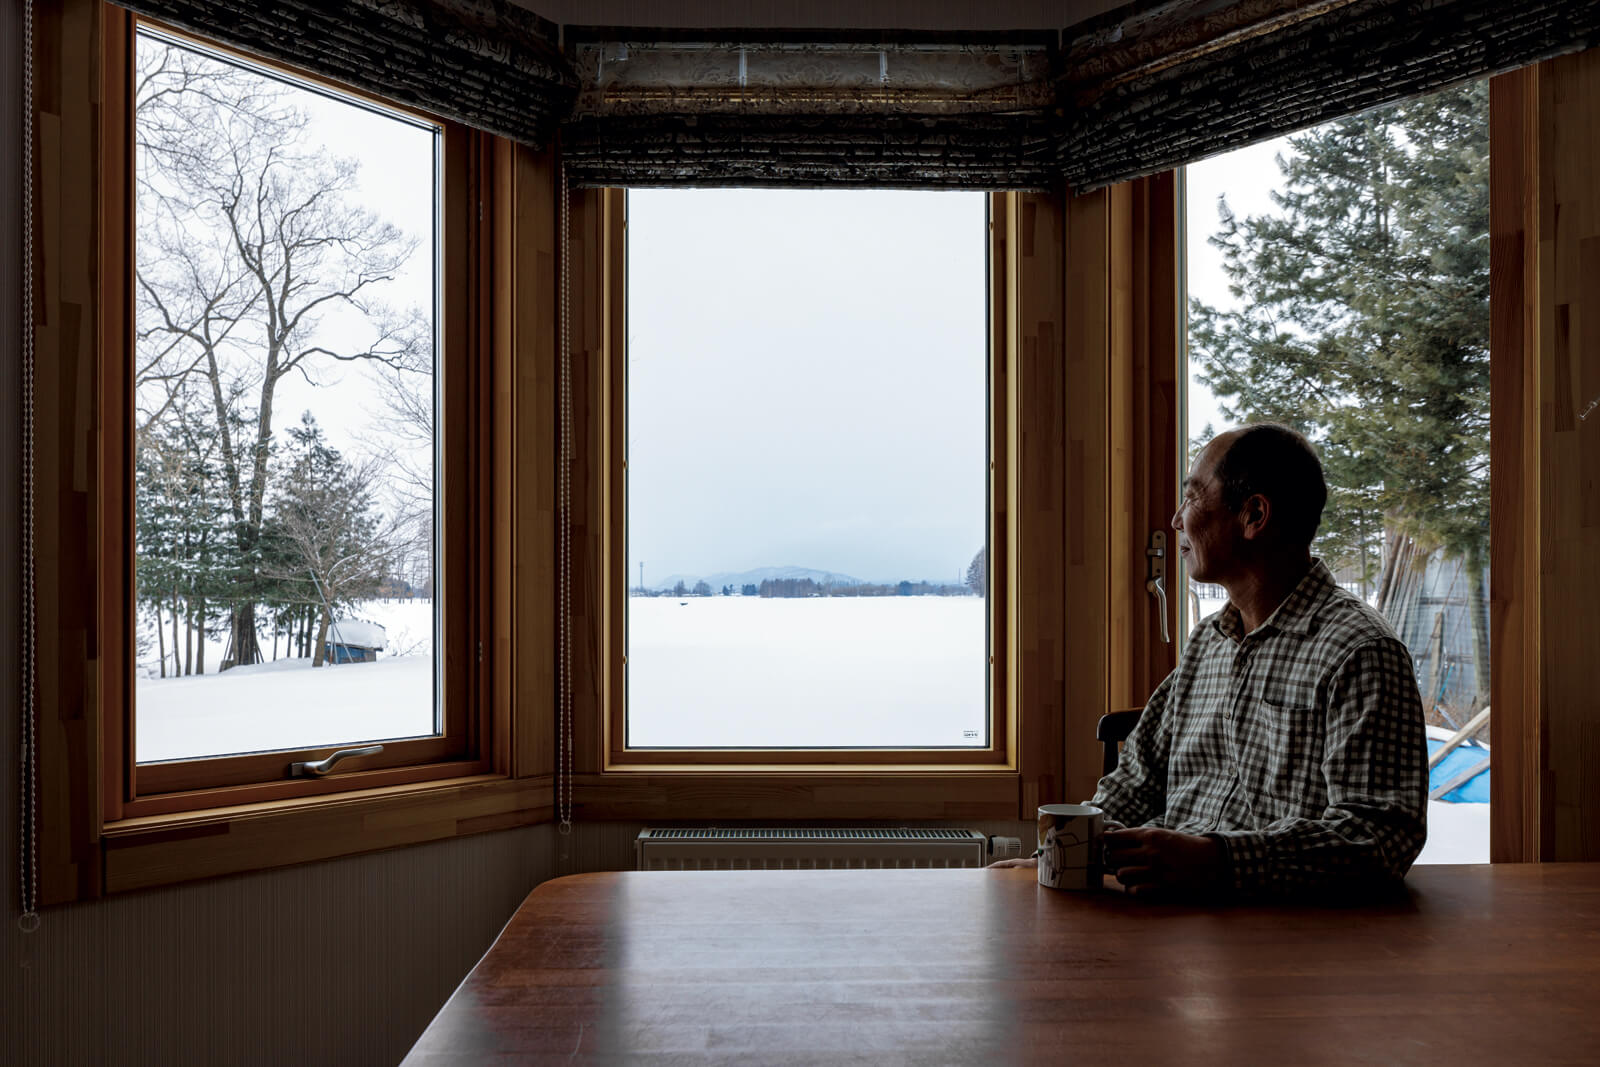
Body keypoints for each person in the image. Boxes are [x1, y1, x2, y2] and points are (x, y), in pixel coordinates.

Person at [1001, 424, 1428, 899]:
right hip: (1165, 919)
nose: (1177, 520)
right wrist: (1059, 856)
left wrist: (1217, 860)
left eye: (1193, 497)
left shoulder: (1361, 652)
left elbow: (1379, 840)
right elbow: (1139, 778)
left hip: (1285, 934)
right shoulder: (1209, 640)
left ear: (1254, 515)